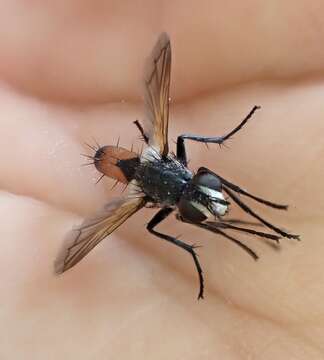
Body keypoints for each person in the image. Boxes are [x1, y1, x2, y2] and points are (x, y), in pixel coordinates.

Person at [0, 2, 322, 358]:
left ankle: (259, 222)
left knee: (193, 194)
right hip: (140, 170)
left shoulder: (166, 165)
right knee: (166, 217)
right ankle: (255, 225)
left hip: (151, 165)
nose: (209, 202)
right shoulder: (144, 194)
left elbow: (160, 76)